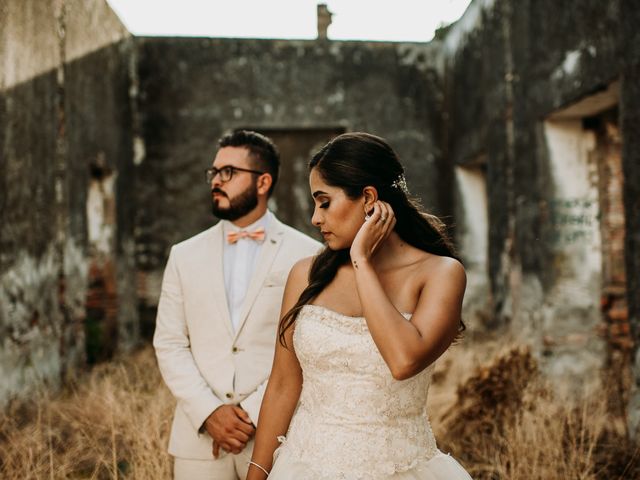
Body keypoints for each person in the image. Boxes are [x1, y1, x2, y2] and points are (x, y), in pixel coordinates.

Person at [246, 132, 473, 480]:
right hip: (304, 468)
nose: (315, 219)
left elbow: (403, 360)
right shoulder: (305, 275)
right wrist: (256, 475)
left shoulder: (441, 274)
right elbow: (282, 385)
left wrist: (362, 263)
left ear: (368, 198)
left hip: (401, 469)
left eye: (324, 202)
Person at [154, 130, 322, 480]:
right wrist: (210, 411)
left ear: (263, 182)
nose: (216, 181)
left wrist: (251, 412)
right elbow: (169, 343)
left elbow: (311, 346)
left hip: (277, 435)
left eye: (228, 172)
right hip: (198, 441)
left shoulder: (307, 254)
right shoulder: (183, 255)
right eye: (213, 172)